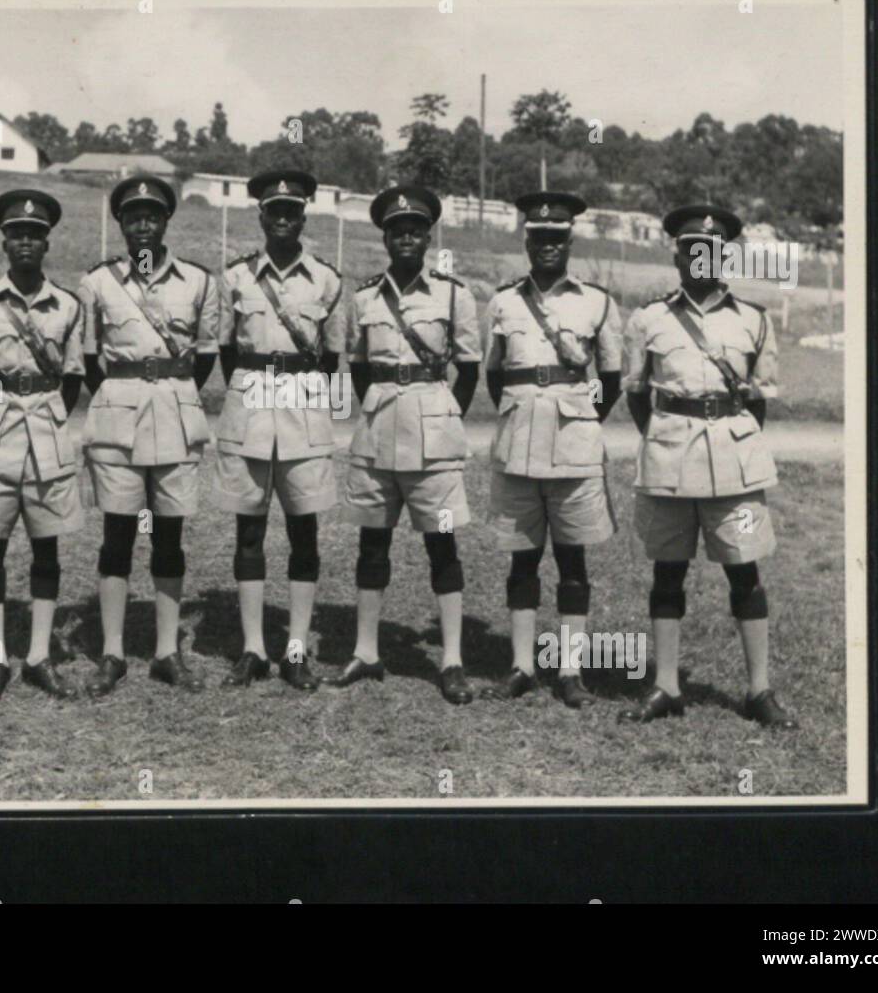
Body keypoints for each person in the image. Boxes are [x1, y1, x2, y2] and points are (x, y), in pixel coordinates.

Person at [619, 204, 797, 728]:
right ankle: (667, 685)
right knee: (667, 571)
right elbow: (636, 396)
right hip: (669, 458)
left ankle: (759, 690)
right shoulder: (648, 319)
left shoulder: (753, 320)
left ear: (724, 256)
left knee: (745, 571)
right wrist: (666, 434)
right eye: (690, 248)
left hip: (734, 465)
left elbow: (759, 400)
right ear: (676, 254)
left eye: (711, 250)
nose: (700, 257)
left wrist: (728, 436)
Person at [330, 185, 481, 705]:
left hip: (432, 436)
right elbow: (357, 365)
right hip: (377, 436)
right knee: (373, 543)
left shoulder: (453, 294)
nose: (407, 237)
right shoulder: (365, 296)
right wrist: (378, 405)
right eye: (397, 230)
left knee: (442, 543)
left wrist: (443, 411)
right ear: (386, 237)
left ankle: (453, 659)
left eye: (416, 229)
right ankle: (367, 652)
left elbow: (471, 367)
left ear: (428, 236)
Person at [480, 191, 623, 709]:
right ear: (526, 239)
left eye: (556, 238)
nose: (546, 245)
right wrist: (523, 410)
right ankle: (520, 666)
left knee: (572, 561)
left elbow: (610, 378)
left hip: (574, 446)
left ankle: (569, 670)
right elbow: (494, 374)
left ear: (569, 240)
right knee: (521, 561)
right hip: (518, 444)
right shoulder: (503, 301)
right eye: (538, 237)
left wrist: (583, 416)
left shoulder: (596, 300)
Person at [77, 176, 219, 697]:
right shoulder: (97, 283)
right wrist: (121, 393)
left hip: (176, 412)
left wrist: (171, 391)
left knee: (169, 537)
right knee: (117, 534)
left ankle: (165, 652)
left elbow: (205, 355)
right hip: (118, 412)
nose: (143, 225)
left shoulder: (197, 281)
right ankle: (112, 653)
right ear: (120, 223)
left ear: (165, 223)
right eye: (133, 217)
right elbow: (89, 357)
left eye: (152, 217)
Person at [213, 170, 345, 691]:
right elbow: (226, 348)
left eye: (293, 211)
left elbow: (332, 355)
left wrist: (303, 390)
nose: (284, 219)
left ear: (304, 217)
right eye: (275, 211)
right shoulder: (236, 278)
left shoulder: (327, 280)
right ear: (262, 216)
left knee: (303, 530)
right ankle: (251, 649)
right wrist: (252, 386)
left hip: (302, 401)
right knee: (248, 528)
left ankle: (294, 649)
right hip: (250, 398)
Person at [0, 190, 85, 704]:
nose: (25, 241)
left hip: (47, 434)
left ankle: (37, 656)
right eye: (16, 234)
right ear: (3, 242)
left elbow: (71, 379)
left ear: (46, 242)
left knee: (46, 547)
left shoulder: (67, 305)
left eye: (34, 234)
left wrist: (45, 410)